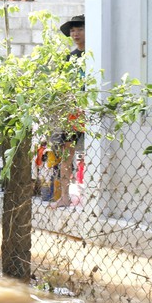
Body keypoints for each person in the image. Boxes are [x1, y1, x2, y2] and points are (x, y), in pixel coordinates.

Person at [50, 14, 86, 209]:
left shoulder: (94, 55)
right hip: (73, 112)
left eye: (79, 29)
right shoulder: (70, 58)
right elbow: (63, 86)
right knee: (66, 155)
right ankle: (64, 196)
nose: (75, 33)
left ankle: (91, 198)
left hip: (92, 111)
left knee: (94, 155)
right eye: (72, 30)